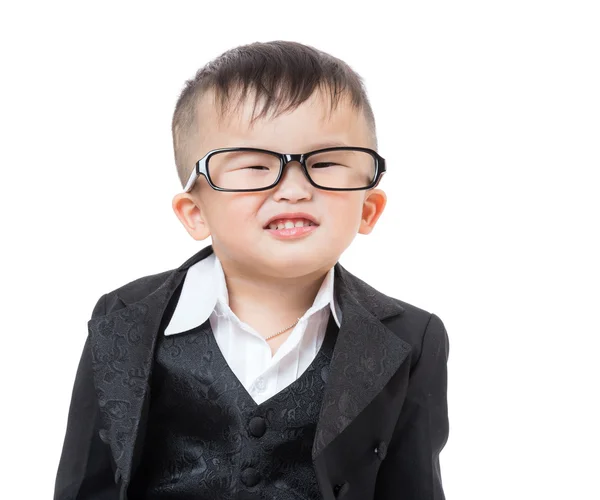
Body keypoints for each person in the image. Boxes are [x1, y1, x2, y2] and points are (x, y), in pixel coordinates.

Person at [54, 40, 450, 500]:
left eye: (324, 163)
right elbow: (88, 483)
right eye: (255, 165)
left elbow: (413, 486)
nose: (294, 189)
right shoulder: (124, 316)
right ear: (194, 212)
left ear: (369, 208)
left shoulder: (412, 338)